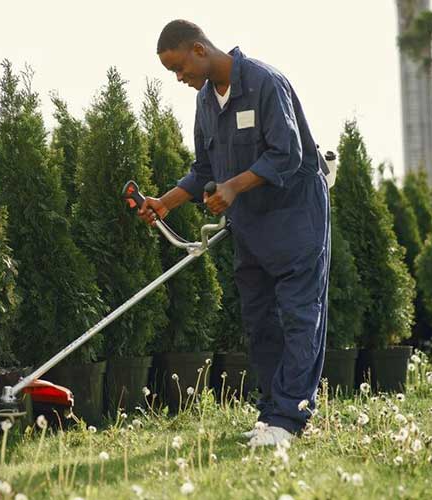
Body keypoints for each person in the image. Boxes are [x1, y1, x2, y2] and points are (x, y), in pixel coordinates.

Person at [139, 20, 331, 447]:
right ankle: (269, 417)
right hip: (251, 224)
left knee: (300, 317)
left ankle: (290, 419)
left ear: (199, 49)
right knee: (260, 321)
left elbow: (287, 154)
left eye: (179, 66)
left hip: (296, 216)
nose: (179, 78)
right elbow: (204, 171)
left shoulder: (265, 83)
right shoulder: (206, 102)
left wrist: (233, 187)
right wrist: (165, 202)